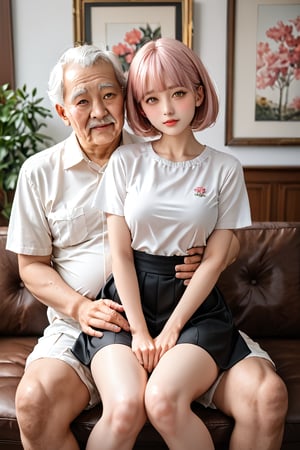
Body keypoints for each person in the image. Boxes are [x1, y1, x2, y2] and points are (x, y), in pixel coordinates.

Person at [6, 44, 287, 450]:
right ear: (63, 111)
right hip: (90, 319)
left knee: (267, 396)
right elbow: (30, 266)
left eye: (109, 95)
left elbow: (225, 236)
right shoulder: (42, 172)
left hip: (186, 308)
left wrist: (216, 254)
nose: (99, 111)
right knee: (36, 403)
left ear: (125, 97)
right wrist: (81, 307)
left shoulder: (164, 153)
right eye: (83, 101)